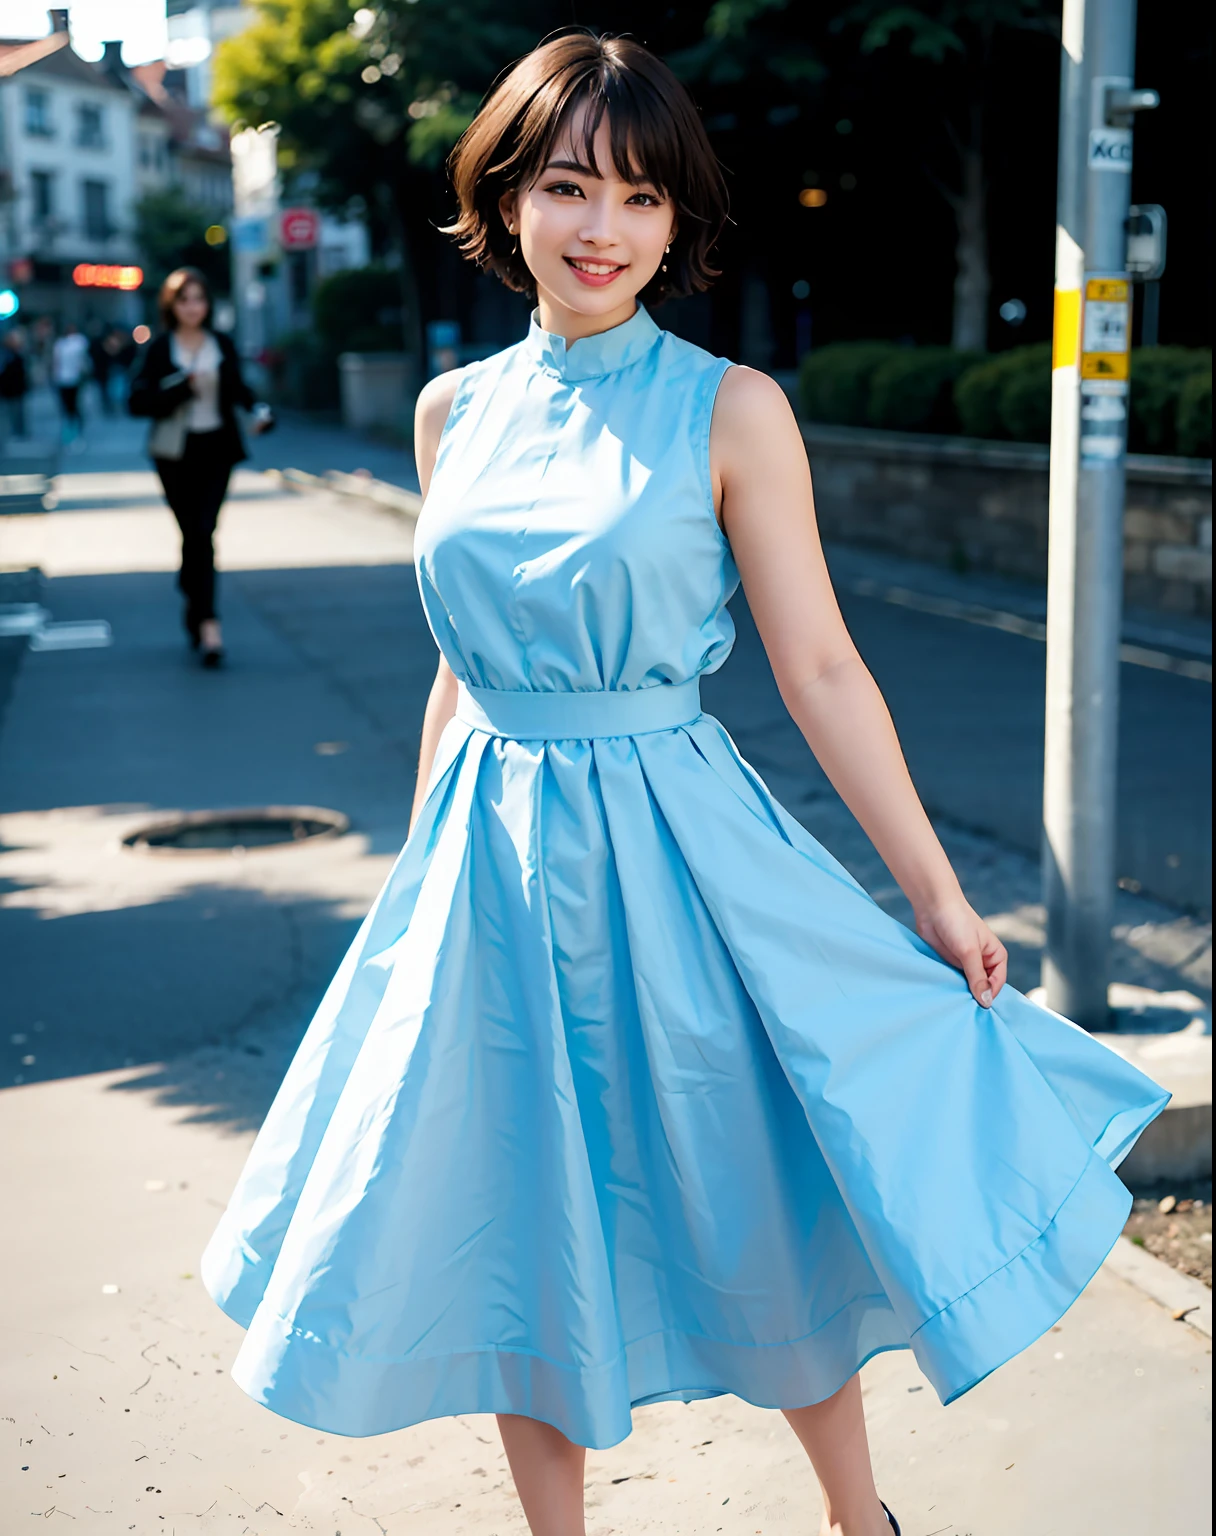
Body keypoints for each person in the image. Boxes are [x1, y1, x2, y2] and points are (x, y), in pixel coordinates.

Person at [200, 32, 1167, 1536]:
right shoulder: (451, 412)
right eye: (572, 186)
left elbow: (823, 670)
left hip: (676, 847)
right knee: (514, 1211)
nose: (604, 231)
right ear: (508, 198)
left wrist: (936, 893)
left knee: (752, 1186)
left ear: (677, 223)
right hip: (486, 865)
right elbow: (460, 668)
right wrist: (415, 877)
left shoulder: (731, 409)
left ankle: (863, 1521)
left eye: (643, 199)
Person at [128, 268, 273, 667]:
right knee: (192, 532)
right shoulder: (159, 348)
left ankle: (208, 624)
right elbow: (136, 401)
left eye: (199, 299)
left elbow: (242, 392)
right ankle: (195, 596)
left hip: (217, 448)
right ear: (171, 305)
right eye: (184, 299)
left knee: (204, 531)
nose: (193, 307)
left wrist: (262, 412)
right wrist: (179, 386)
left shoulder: (220, 343)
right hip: (173, 453)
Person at [51, 321, 89, 444]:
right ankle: (72, 431)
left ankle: (73, 431)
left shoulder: (69, 343)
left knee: (71, 406)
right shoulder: (63, 344)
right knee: (71, 406)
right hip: (66, 378)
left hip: (70, 378)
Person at [0, 328, 29, 441]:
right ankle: (14, 432)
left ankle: (19, 432)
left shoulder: (18, 355)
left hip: (16, 389)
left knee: (17, 411)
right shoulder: (5, 355)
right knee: (10, 412)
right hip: (8, 389)